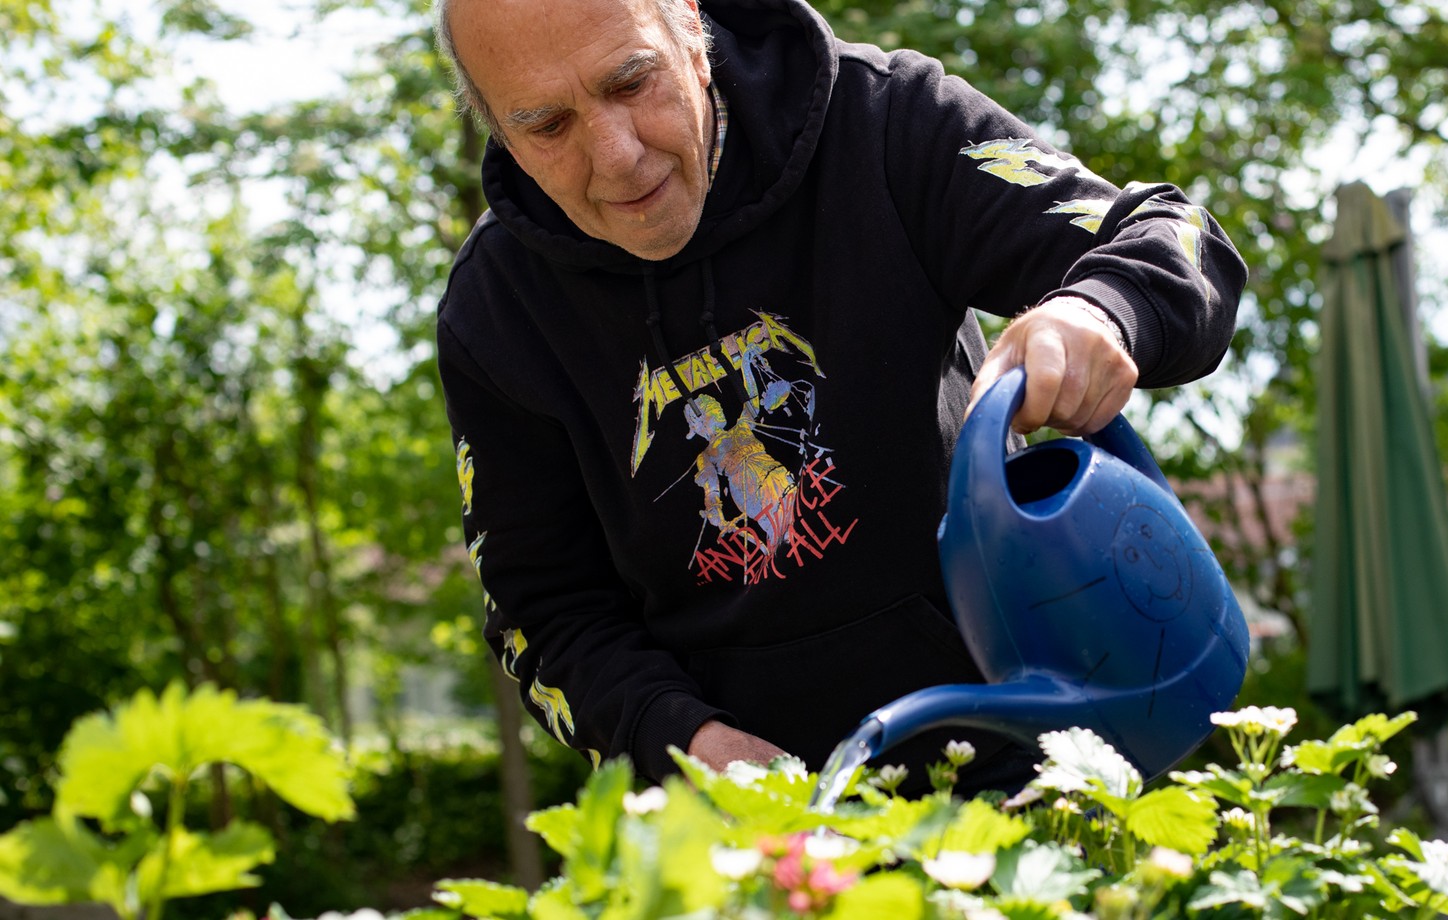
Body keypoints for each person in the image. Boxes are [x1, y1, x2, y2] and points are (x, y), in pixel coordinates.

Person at [432, 0, 1247, 790]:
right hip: (753, 830)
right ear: (496, 126)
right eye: (547, 125)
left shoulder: (888, 122)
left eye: (630, 82)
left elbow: (1173, 238)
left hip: (1034, 758)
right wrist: (681, 740)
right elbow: (542, 613)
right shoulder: (494, 312)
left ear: (690, 24)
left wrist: (1098, 310)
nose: (616, 155)